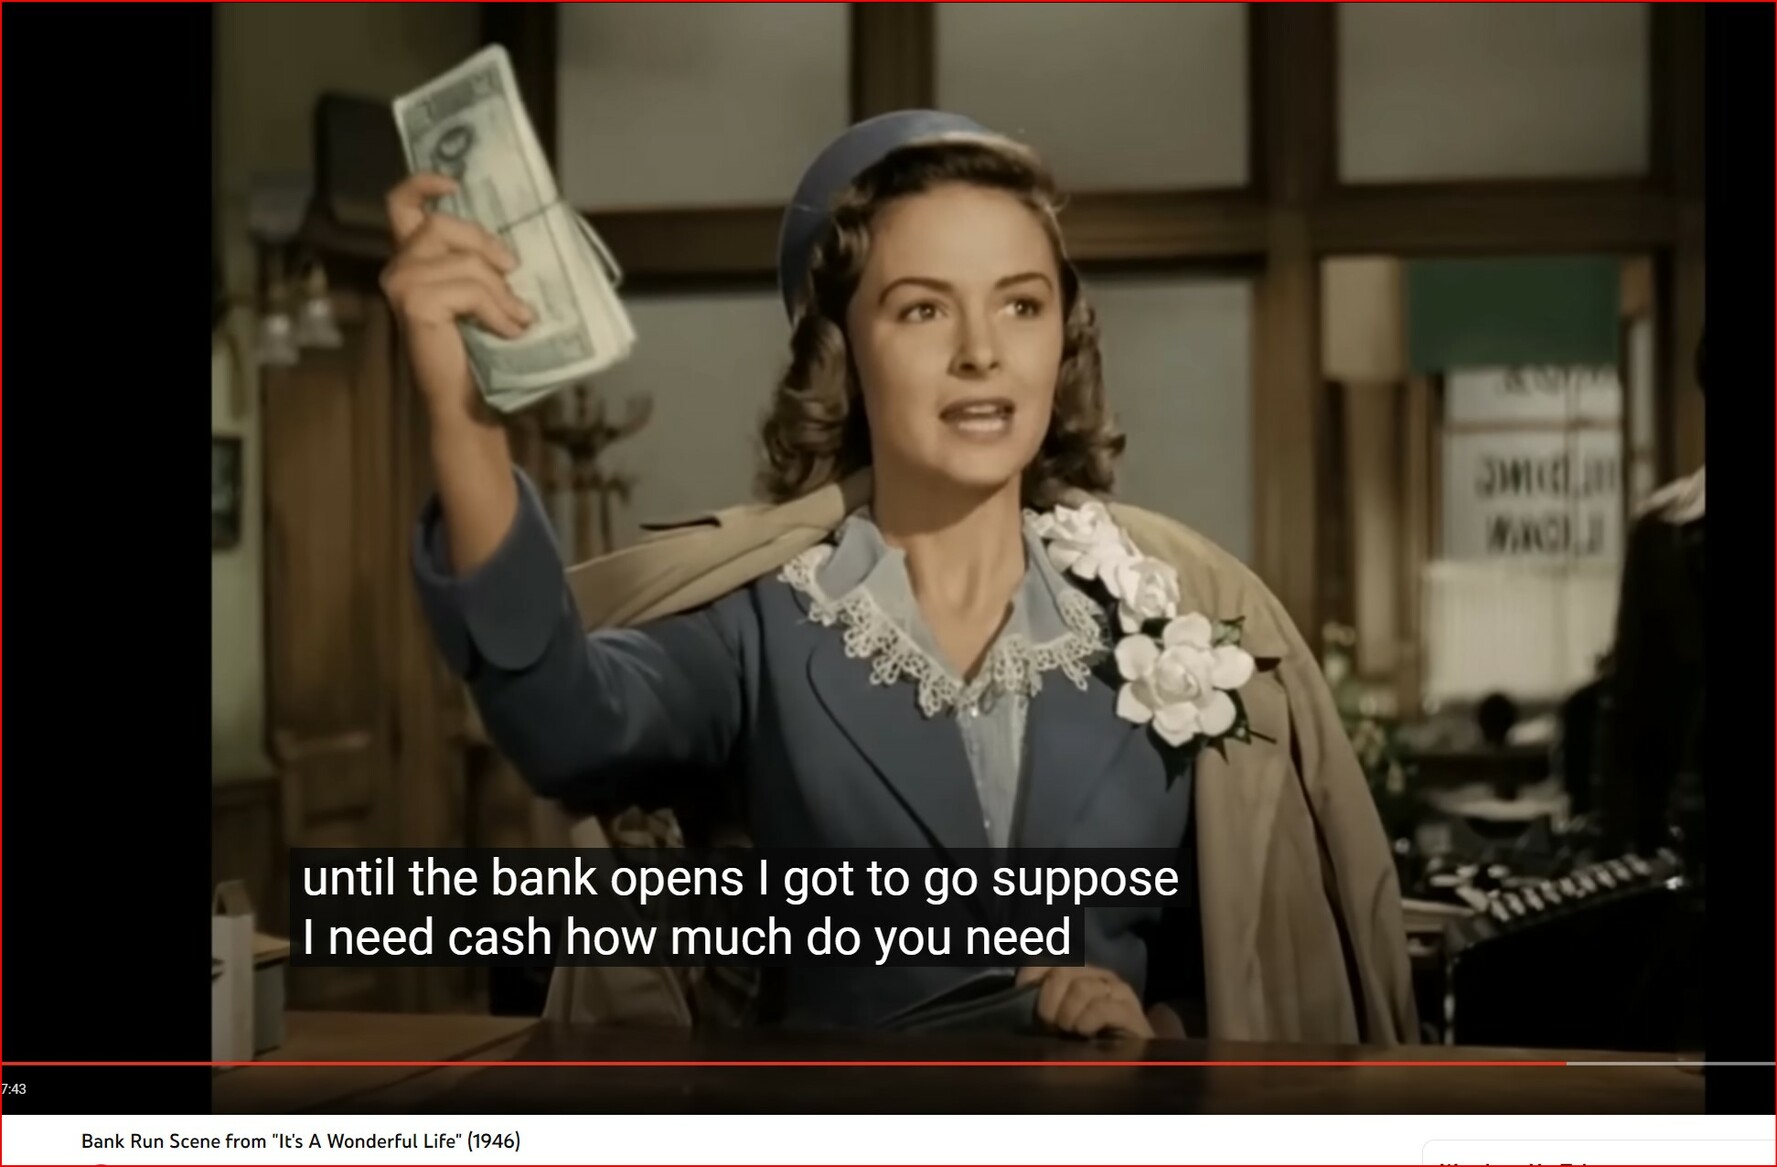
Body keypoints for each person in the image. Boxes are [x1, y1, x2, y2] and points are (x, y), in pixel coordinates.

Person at [389, 110, 1416, 1044]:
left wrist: (1151, 1031)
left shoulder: (1176, 627)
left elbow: (1249, 969)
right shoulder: (758, 626)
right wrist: (461, 413)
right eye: (923, 310)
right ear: (843, 351)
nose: (981, 352)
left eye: (1020, 305)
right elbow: (565, 725)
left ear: (1062, 337)